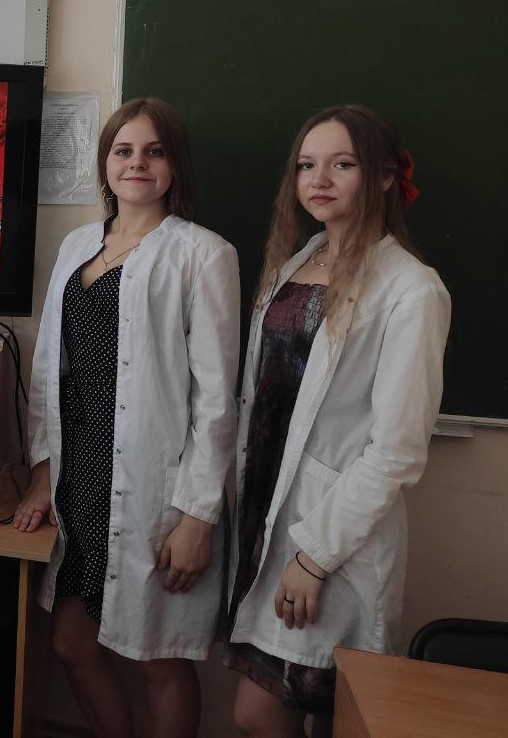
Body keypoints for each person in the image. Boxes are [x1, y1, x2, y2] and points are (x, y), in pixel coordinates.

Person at [14, 98, 240, 738]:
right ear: (105, 163)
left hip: (153, 488)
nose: (137, 163)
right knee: (73, 644)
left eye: (154, 151)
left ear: (175, 165)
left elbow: (217, 400)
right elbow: (48, 371)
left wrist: (197, 517)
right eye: (123, 151)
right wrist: (42, 475)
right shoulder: (77, 245)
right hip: (80, 478)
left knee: (159, 659)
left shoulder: (203, 254)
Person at [225, 105, 450, 738]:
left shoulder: (412, 289)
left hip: (331, 536)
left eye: (342, 164)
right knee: (260, 713)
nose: (319, 179)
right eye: (307, 165)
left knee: (320, 716)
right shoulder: (295, 265)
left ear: (384, 177)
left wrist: (315, 557)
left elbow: (397, 451)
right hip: (268, 515)